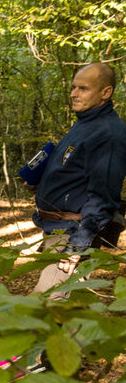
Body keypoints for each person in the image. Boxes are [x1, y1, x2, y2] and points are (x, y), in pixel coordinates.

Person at [30, 62, 126, 296]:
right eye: (74, 87)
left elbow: (103, 197)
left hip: (73, 233)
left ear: (106, 92)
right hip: (56, 229)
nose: (73, 94)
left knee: (41, 307)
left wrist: (77, 245)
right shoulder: (85, 124)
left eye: (83, 89)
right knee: (73, 311)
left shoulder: (108, 134)